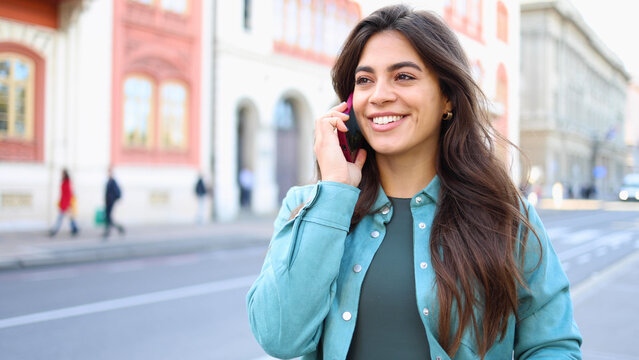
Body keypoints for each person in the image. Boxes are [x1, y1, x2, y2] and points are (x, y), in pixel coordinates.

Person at [247, 5, 582, 360]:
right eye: (364, 80)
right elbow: (279, 337)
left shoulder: (505, 217)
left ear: (447, 98)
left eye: (403, 76)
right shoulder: (308, 206)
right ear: (348, 105)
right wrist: (334, 192)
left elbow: (552, 345)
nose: (379, 95)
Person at [49, 168, 79, 237]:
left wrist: (67, 204)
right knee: (70, 218)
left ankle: (54, 230)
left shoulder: (67, 182)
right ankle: (75, 229)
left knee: (61, 218)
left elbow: (69, 194)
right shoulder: (64, 182)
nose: (61, 175)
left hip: (66, 204)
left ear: (65, 174)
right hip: (63, 203)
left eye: (62, 173)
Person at [103, 167, 125, 238]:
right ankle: (117, 229)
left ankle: (109, 231)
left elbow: (116, 192)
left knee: (108, 217)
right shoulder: (109, 181)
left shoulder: (113, 182)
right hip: (108, 202)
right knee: (108, 217)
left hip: (110, 202)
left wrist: (112, 199)